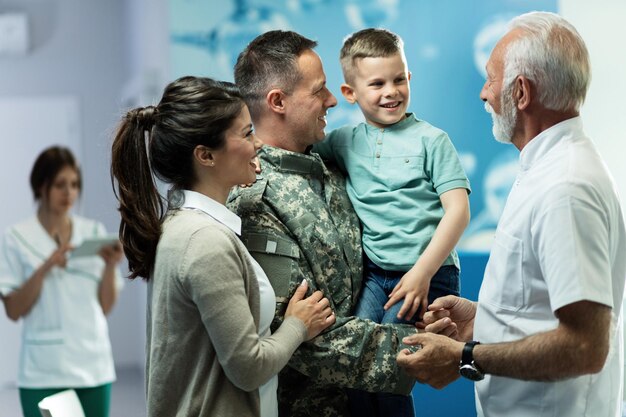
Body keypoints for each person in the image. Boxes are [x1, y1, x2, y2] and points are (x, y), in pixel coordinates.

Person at [396, 11, 626, 417]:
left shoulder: (564, 187)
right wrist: (483, 323)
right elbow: (542, 310)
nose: (484, 94)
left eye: (490, 78)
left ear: (521, 92)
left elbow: (584, 348)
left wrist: (465, 355)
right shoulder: (544, 169)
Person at [110, 76, 335, 417]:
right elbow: (248, 368)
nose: (258, 143)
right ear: (205, 156)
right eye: (246, 134)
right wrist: (297, 325)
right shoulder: (205, 243)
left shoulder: (183, 225)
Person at [228, 30, 416, 417]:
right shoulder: (255, 199)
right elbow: (302, 337)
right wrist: (416, 351)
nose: (332, 100)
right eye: (319, 91)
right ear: (277, 101)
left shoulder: (331, 166)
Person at [313, 28, 471, 416]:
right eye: (377, 83)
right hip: (376, 275)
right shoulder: (344, 141)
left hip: (427, 273)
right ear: (350, 93)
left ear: (410, 78)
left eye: (399, 79)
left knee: (390, 367)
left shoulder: (432, 141)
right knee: (352, 361)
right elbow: (296, 145)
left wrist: (422, 273)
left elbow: (458, 211)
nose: (391, 91)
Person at [0, 146, 124, 417]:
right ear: (41, 186)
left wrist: (109, 266)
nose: (69, 193)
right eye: (60, 185)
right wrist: (46, 266)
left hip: (92, 365)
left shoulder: (92, 232)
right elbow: (13, 310)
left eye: (74, 185)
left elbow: (105, 306)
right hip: (42, 371)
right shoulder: (16, 237)